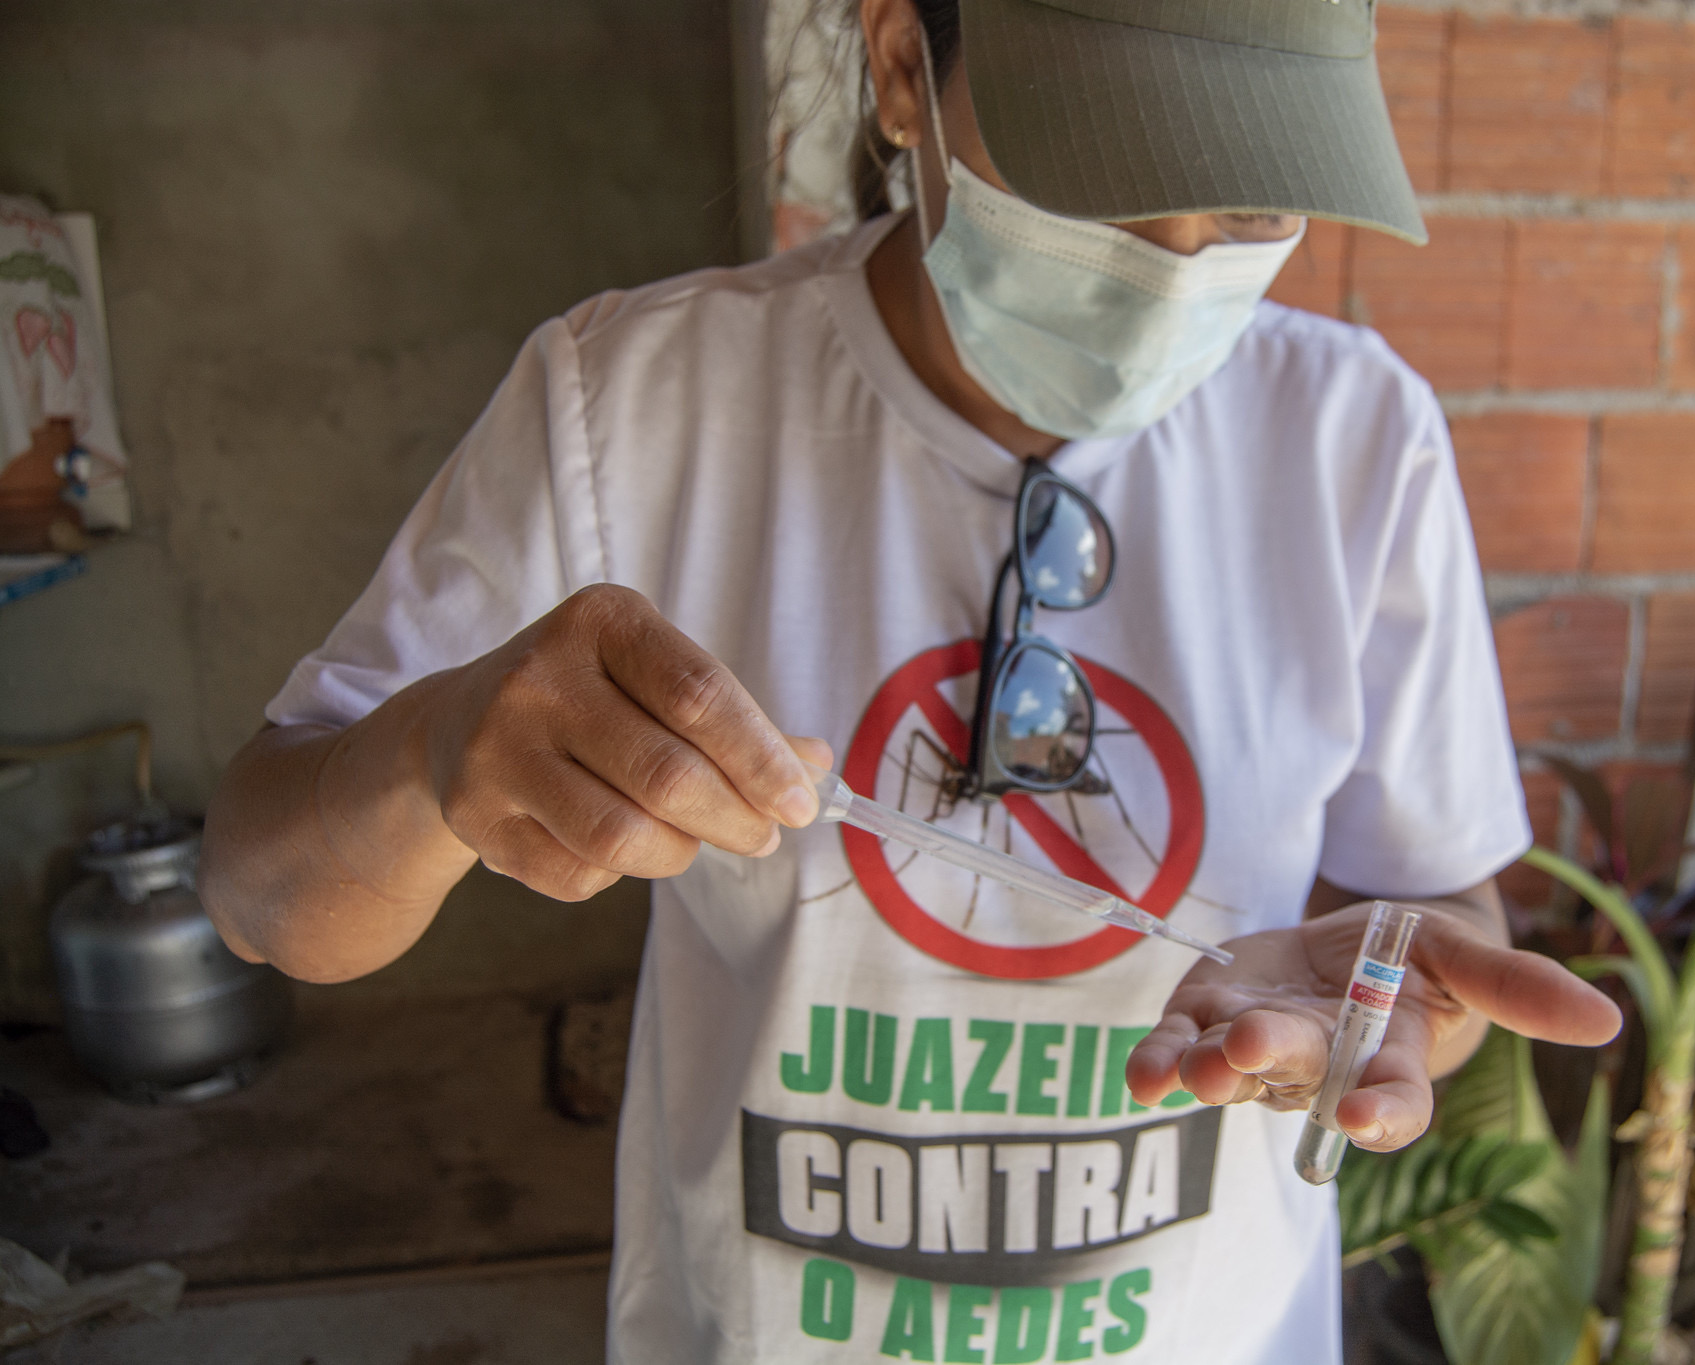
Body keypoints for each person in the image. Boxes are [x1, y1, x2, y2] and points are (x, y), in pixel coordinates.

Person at [198, 0, 1621, 1359]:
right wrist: (433, 756)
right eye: (1103, 175)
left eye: (1251, 207)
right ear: (898, 68)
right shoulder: (630, 402)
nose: (1177, 268)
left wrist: (1373, 1012)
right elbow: (265, 898)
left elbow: (1436, 909)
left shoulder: (1352, 440)